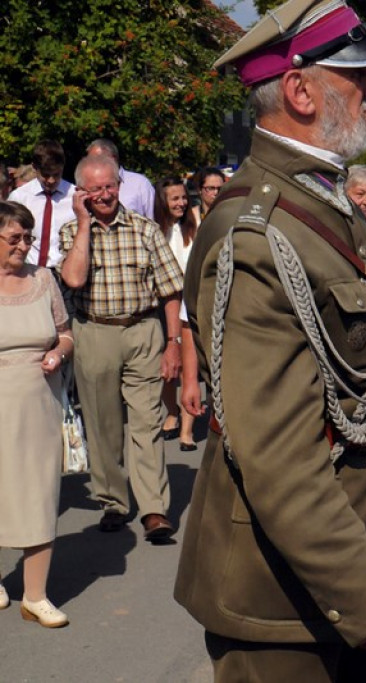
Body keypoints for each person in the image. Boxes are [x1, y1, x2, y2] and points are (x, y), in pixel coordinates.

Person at [172, 2, 366, 681]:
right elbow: (280, 461)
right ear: (299, 91)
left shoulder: (316, 203)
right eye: (360, 76)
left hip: (352, 573)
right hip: (284, 603)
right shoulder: (258, 232)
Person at [58, 154, 183, 542]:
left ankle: (154, 509)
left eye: (110, 186)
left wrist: (174, 343)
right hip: (94, 331)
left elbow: (171, 290)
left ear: (119, 186)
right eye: (95, 189)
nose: (105, 194)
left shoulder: (145, 230)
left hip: (143, 331)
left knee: (147, 422)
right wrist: (84, 224)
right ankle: (113, 500)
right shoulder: (71, 231)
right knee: (103, 424)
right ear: (81, 193)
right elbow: (73, 278)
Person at [0, 201, 74, 628]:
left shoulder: (44, 279)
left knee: (40, 494)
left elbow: (65, 334)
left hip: (40, 404)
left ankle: (36, 596)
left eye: (28, 237)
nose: (24, 245)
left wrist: (58, 353)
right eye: (15, 237)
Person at [154, 177, 200, 451]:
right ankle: (171, 411)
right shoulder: (154, 231)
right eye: (175, 198)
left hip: (189, 301)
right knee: (167, 368)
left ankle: (187, 430)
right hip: (163, 305)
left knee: (187, 366)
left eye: (184, 197)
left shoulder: (195, 226)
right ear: (163, 202)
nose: (181, 203)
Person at [8, 140, 76, 270]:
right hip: (30, 270)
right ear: (34, 168)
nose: (51, 180)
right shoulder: (20, 197)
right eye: (45, 175)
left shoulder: (75, 195)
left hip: (65, 270)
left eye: (56, 174)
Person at [85, 139, 156, 219]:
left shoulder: (140, 184)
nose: (92, 164)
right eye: (90, 160)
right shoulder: (86, 185)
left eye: (96, 160)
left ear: (113, 158)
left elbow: (154, 218)